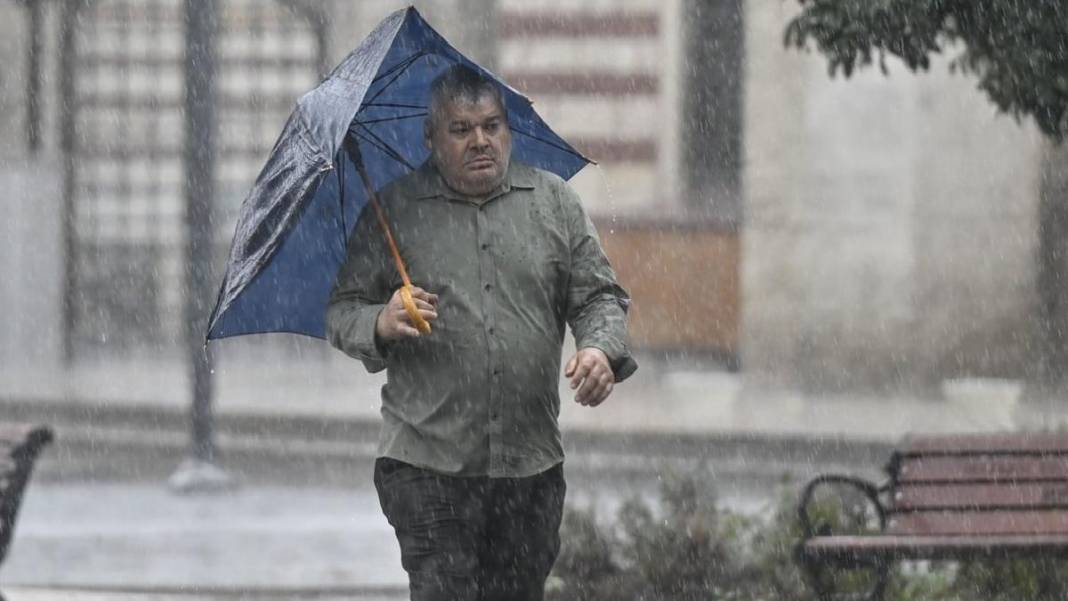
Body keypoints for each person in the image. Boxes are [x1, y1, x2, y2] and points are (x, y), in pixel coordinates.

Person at [325, 64, 637, 601]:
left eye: (492, 125)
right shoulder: (393, 210)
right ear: (431, 138)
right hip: (427, 464)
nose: (480, 141)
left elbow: (599, 296)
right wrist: (380, 318)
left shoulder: (553, 202)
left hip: (530, 465)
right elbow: (341, 310)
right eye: (461, 129)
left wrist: (599, 348)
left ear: (509, 129)